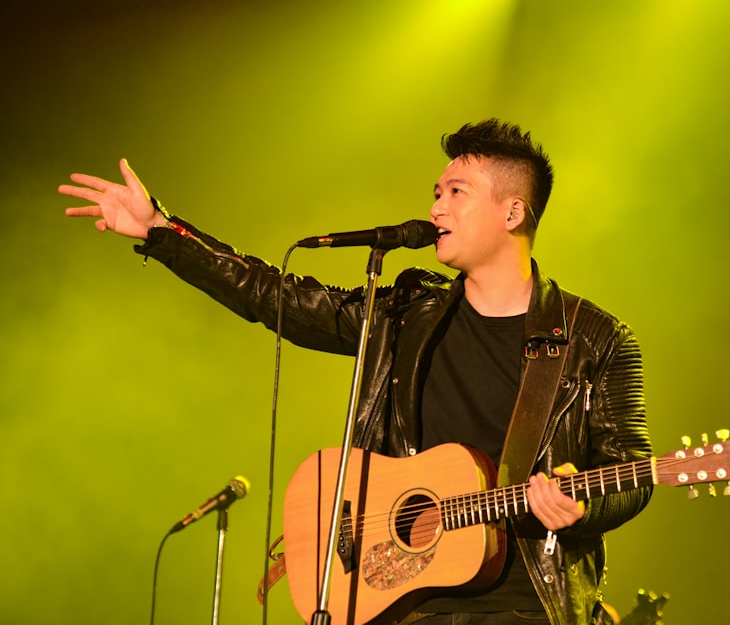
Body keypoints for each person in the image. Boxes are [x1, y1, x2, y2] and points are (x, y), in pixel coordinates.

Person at [59, 119, 653, 624]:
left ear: (512, 210)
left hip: (526, 605)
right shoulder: (406, 312)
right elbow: (278, 297)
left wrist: (581, 506)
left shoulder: (594, 339)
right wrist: (165, 234)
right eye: (436, 191)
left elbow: (634, 472)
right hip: (401, 599)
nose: (435, 207)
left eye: (456, 192)